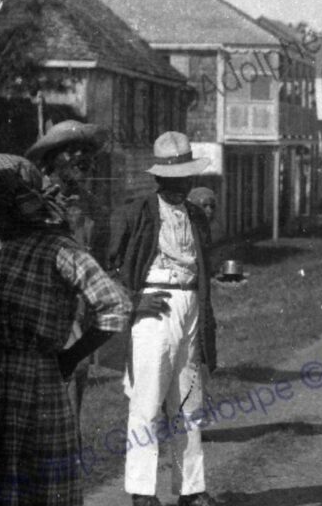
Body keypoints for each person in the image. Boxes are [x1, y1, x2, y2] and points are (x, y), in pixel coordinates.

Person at [0, 154, 130, 506]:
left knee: (41, 482)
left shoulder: (57, 249)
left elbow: (115, 305)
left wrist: (71, 356)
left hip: (39, 380)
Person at [105, 132, 218, 506]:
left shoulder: (196, 215)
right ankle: (141, 491)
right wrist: (133, 300)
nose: (180, 186)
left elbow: (202, 265)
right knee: (147, 401)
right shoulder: (137, 212)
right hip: (154, 308)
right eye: (173, 180)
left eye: (186, 178)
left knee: (189, 402)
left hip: (190, 307)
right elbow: (107, 265)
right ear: (159, 179)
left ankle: (191, 489)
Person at [26, 119, 108, 417]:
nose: (82, 158)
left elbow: (97, 270)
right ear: (50, 158)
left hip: (76, 322)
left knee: (70, 413)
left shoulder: (93, 209)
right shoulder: (28, 199)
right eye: (72, 151)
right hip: (34, 321)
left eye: (86, 152)